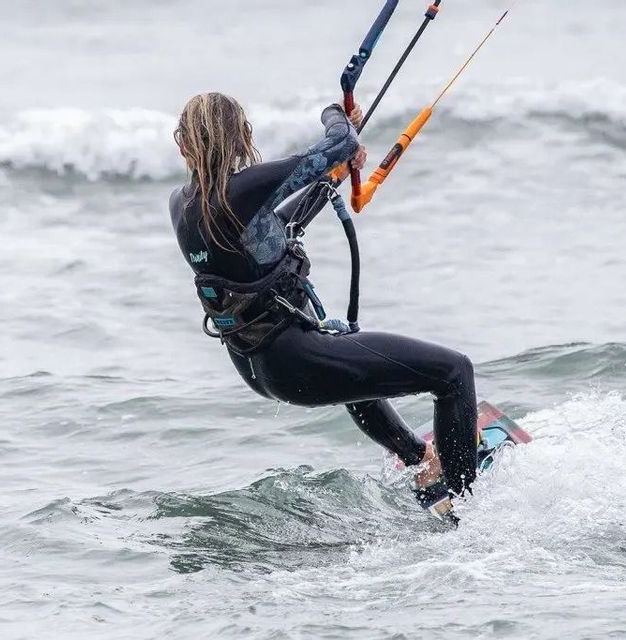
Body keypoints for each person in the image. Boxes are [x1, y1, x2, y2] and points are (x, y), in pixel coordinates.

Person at [169, 92, 479, 512]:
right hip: (296, 357)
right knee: (454, 372)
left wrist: (331, 177)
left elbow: (273, 230)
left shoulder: (183, 205)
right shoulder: (241, 191)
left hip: (260, 367)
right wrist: (337, 114)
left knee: (352, 369)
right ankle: (468, 505)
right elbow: (339, 143)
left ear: (183, 143)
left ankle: (421, 462)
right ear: (241, 135)